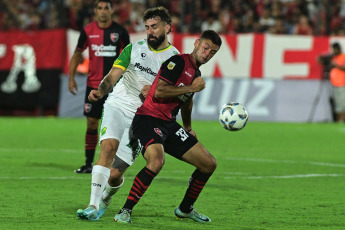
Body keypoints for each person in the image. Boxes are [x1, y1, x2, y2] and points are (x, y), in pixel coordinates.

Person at [76, 6, 179, 220]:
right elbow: (112, 76)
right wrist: (101, 91)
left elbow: (174, 97)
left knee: (115, 175)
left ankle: (106, 196)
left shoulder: (176, 59)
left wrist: (153, 94)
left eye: (155, 27)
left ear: (168, 27)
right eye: (147, 27)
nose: (150, 31)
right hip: (117, 104)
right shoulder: (133, 49)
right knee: (107, 147)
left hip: (143, 117)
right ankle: (93, 206)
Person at [114, 30, 222, 224]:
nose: (207, 54)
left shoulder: (195, 73)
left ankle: (185, 208)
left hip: (169, 124)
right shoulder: (178, 62)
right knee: (156, 161)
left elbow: (187, 102)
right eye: (206, 48)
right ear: (196, 43)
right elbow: (159, 92)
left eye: (213, 52)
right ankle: (125, 211)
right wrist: (191, 88)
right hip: (148, 119)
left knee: (208, 164)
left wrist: (188, 127)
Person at [68, 0, 130, 173]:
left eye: (106, 8)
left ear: (111, 11)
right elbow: (77, 54)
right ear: (95, 11)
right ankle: (88, 164)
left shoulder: (120, 32)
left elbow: (129, 58)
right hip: (93, 85)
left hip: (114, 86)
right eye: (100, 8)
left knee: (116, 125)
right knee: (92, 123)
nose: (103, 11)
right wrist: (71, 78)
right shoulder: (88, 31)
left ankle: (114, 163)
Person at [329, 42, 345, 122]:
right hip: (335, 84)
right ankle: (339, 121)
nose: (333, 51)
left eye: (334, 49)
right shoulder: (334, 58)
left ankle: (342, 121)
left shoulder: (343, 57)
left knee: (342, 104)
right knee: (337, 104)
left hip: (342, 84)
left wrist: (336, 66)